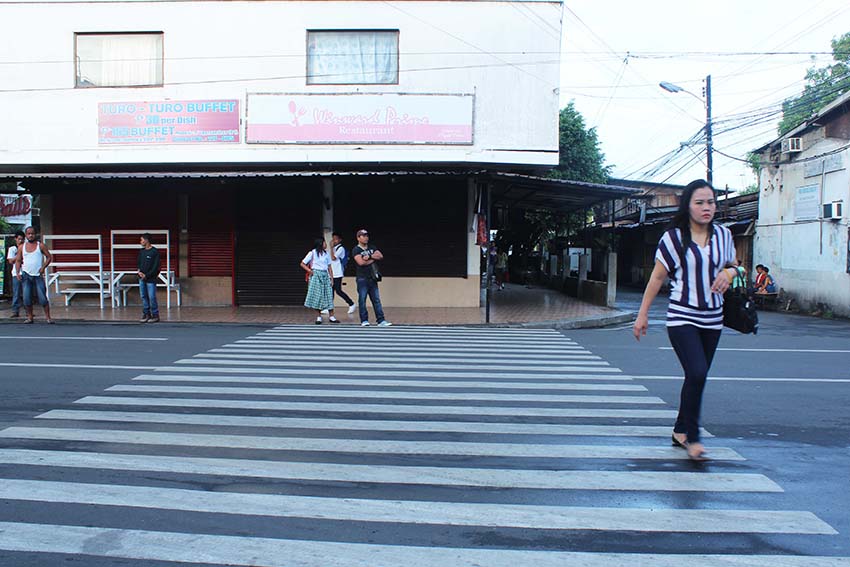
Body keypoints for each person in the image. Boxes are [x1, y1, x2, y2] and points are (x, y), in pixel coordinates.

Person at [633, 179, 737, 461]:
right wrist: (642, 315)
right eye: (699, 202)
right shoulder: (674, 238)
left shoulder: (724, 235)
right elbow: (657, 277)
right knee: (697, 373)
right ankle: (693, 437)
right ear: (688, 206)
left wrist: (730, 273)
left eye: (711, 202)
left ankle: (680, 429)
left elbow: (734, 265)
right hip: (682, 316)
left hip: (713, 318)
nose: (706, 208)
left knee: (697, 377)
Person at [352, 229, 391, 327]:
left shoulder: (372, 247)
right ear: (358, 238)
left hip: (372, 278)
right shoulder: (356, 250)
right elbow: (361, 262)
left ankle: (381, 320)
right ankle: (364, 320)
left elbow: (380, 256)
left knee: (376, 300)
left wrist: (369, 256)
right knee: (362, 300)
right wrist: (373, 259)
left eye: (367, 236)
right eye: (363, 236)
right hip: (362, 278)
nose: (366, 238)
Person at [14, 226, 53, 324]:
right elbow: (18, 260)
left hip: (38, 275)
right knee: (27, 298)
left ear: (35, 234)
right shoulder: (22, 247)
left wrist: (43, 267)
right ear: (26, 235)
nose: (31, 235)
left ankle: (48, 317)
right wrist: (18, 272)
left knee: (42, 298)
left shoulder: (41, 246)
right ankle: (30, 317)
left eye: (32, 233)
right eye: (29, 234)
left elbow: (49, 257)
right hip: (26, 275)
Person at [300, 238, 339, 324]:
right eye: (324, 242)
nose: (326, 244)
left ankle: (331, 316)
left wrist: (332, 279)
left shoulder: (326, 254)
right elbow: (302, 263)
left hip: (325, 275)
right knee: (318, 296)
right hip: (316, 275)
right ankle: (318, 316)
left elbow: (329, 267)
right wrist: (309, 271)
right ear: (320, 243)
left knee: (328, 295)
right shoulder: (312, 253)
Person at [330, 231, 356, 315]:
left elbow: (333, 258)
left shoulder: (340, 248)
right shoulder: (333, 248)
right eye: (333, 239)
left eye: (336, 239)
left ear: (340, 240)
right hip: (332, 273)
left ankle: (351, 303)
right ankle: (329, 307)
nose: (334, 241)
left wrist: (330, 248)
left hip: (338, 273)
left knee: (338, 290)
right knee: (331, 291)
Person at [137, 233, 162, 323]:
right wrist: (139, 272)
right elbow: (139, 263)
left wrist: (147, 275)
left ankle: (155, 315)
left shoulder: (154, 252)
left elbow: (156, 267)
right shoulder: (141, 251)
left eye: (142, 239)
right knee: (143, 296)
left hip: (151, 278)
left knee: (152, 297)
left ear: (147, 240)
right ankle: (146, 313)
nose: (141, 242)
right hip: (141, 278)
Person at [6, 230, 24, 318]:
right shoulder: (12, 249)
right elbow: (10, 261)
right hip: (15, 273)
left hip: (25, 272)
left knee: (26, 293)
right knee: (16, 292)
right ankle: (15, 310)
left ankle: (28, 310)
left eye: (22, 239)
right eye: (19, 239)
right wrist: (18, 256)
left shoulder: (26, 248)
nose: (21, 241)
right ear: (16, 239)